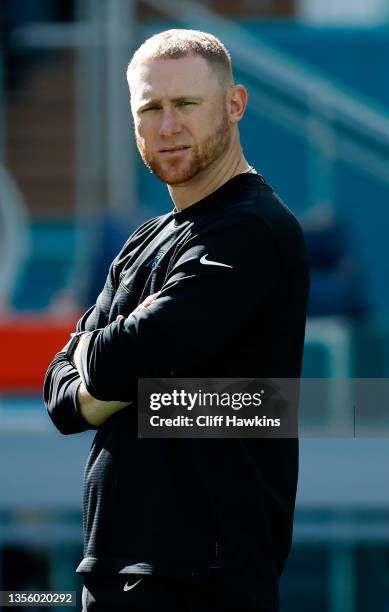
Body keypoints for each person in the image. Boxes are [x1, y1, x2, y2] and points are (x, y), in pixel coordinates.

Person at [44, 29, 309, 612]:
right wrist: (116, 362)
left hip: (206, 573)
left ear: (234, 104)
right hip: (112, 564)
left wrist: (101, 352)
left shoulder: (253, 227)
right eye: (150, 109)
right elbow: (59, 396)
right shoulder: (144, 239)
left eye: (185, 104)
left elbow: (127, 351)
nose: (167, 126)